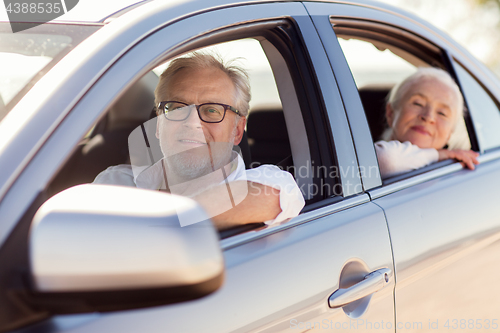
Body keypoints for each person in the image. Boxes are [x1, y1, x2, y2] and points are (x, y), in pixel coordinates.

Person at [94, 52, 305, 230]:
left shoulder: (270, 183)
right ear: (159, 124)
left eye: (212, 110)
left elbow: (272, 197)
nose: (192, 123)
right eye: (177, 108)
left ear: (238, 130)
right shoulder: (114, 183)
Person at [375, 67, 480, 179]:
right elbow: (385, 159)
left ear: (450, 133)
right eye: (418, 104)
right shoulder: (367, 154)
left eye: (442, 113)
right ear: (390, 113)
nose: (428, 117)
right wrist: (437, 155)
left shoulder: (453, 176)